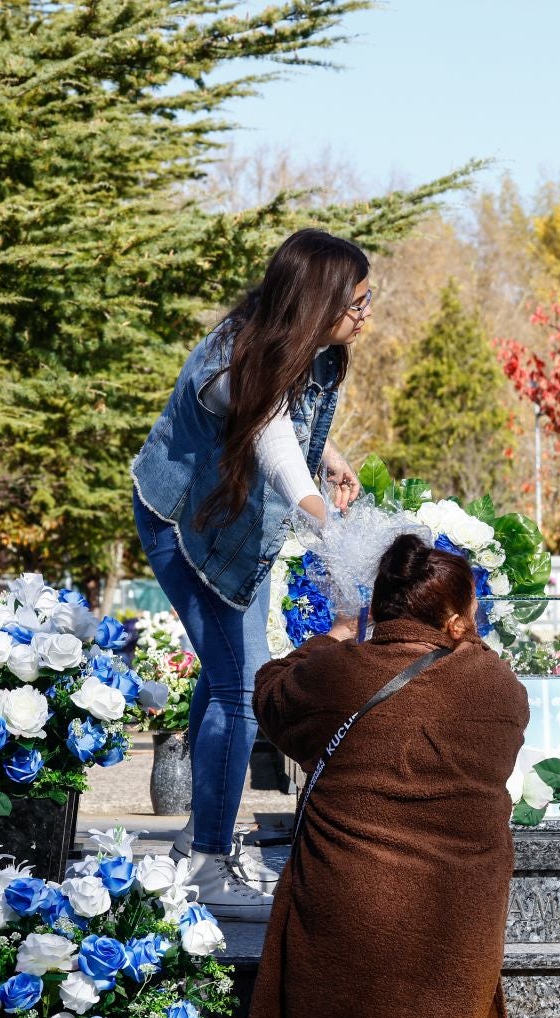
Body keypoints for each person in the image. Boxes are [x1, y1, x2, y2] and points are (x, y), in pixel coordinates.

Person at [240, 533, 529, 1018]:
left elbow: (271, 694)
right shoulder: (498, 690)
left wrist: (333, 636)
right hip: (448, 942)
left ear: (377, 605)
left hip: (348, 938)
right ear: (459, 615)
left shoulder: (340, 671)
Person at [131, 229, 372, 919]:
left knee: (224, 674)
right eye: (355, 302)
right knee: (242, 687)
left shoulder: (300, 348)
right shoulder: (232, 358)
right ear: (317, 299)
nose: (363, 315)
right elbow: (266, 434)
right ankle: (207, 860)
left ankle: (194, 844)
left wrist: (329, 457)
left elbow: (289, 426)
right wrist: (321, 512)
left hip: (236, 531)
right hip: (186, 526)